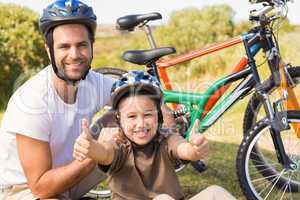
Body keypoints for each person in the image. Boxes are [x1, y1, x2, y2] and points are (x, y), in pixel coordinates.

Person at [0, 0, 117, 199]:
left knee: (128, 121)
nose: (74, 55)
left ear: (91, 46)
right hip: (24, 190)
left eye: (82, 45)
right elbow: (40, 187)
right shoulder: (32, 100)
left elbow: (135, 93)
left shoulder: (92, 81)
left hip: (68, 177)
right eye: (64, 46)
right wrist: (98, 152)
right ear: (49, 50)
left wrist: (159, 112)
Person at [73, 71, 236, 200]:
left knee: (216, 192)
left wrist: (195, 149)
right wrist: (91, 147)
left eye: (147, 115)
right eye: (131, 116)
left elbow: (182, 148)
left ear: (158, 116)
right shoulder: (119, 144)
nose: (141, 124)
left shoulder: (165, 139)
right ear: (119, 120)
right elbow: (105, 153)